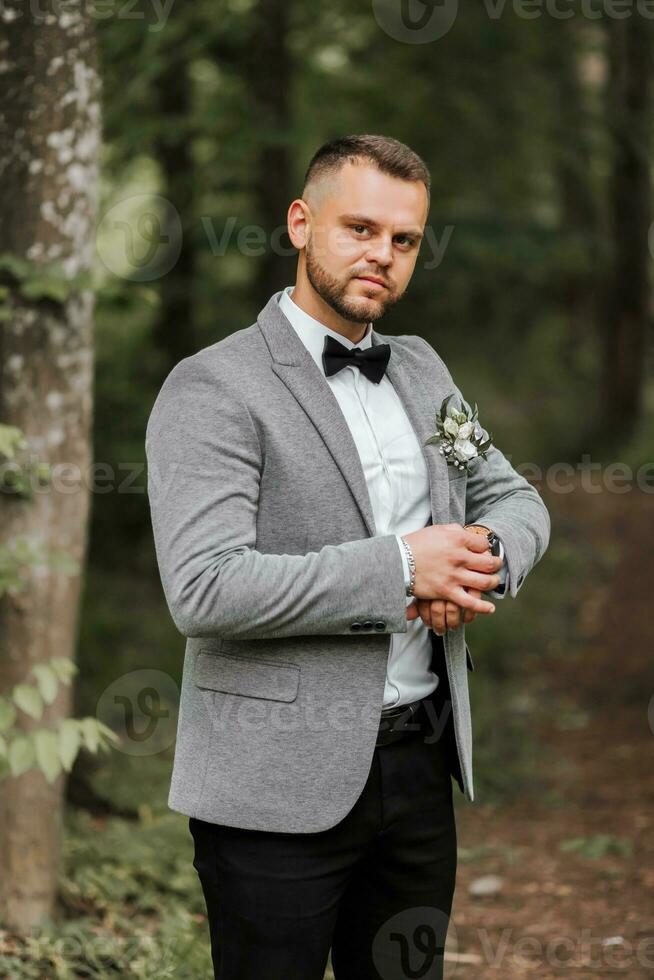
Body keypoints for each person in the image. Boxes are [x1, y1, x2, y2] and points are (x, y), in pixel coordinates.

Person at [145, 134, 550, 980]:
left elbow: (514, 499)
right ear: (301, 222)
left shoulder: (421, 368)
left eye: (403, 240)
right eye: (359, 228)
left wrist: (478, 556)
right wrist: (405, 567)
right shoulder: (212, 386)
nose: (382, 256)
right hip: (271, 784)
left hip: (419, 769)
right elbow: (205, 588)